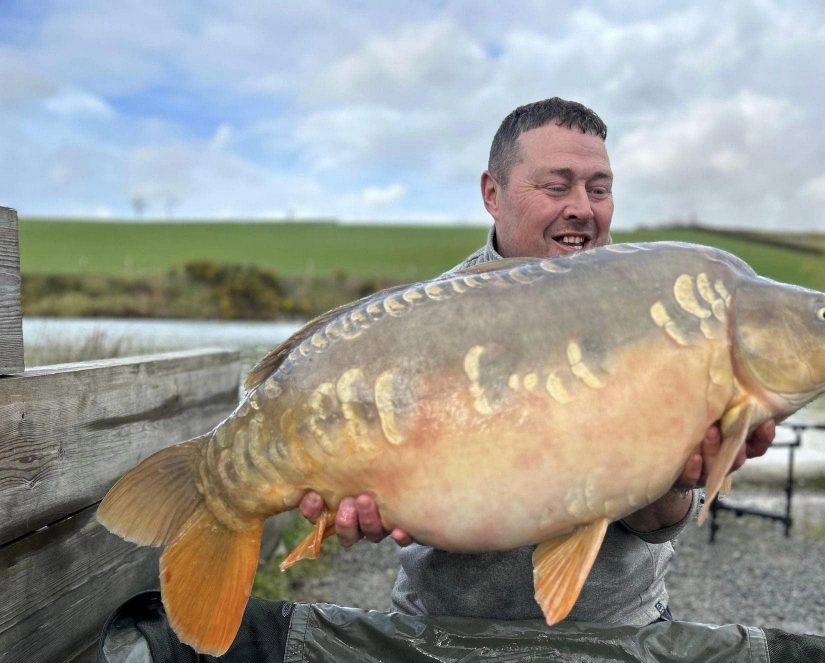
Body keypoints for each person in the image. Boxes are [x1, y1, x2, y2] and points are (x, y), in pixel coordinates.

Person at [299, 97, 775, 624]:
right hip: (445, 628)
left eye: (599, 190)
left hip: (620, 627)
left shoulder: (659, 310)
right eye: (556, 186)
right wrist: (356, 500)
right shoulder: (421, 324)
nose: (582, 207)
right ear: (492, 194)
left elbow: (659, 519)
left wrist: (677, 480)